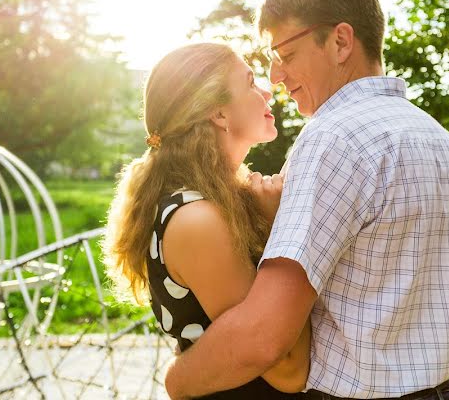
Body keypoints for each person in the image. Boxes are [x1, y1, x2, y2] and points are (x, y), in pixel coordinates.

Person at [165, 0, 449, 400]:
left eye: (286, 55)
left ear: (341, 41)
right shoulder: (439, 139)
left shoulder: (331, 139)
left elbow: (266, 339)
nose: (276, 77)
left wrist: (177, 380)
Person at [102, 42, 311, 398]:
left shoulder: (223, 200)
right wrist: (286, 234)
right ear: (219, 114)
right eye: (249, 83)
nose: (267, 90)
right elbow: (289, 369)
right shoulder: (196, 219)